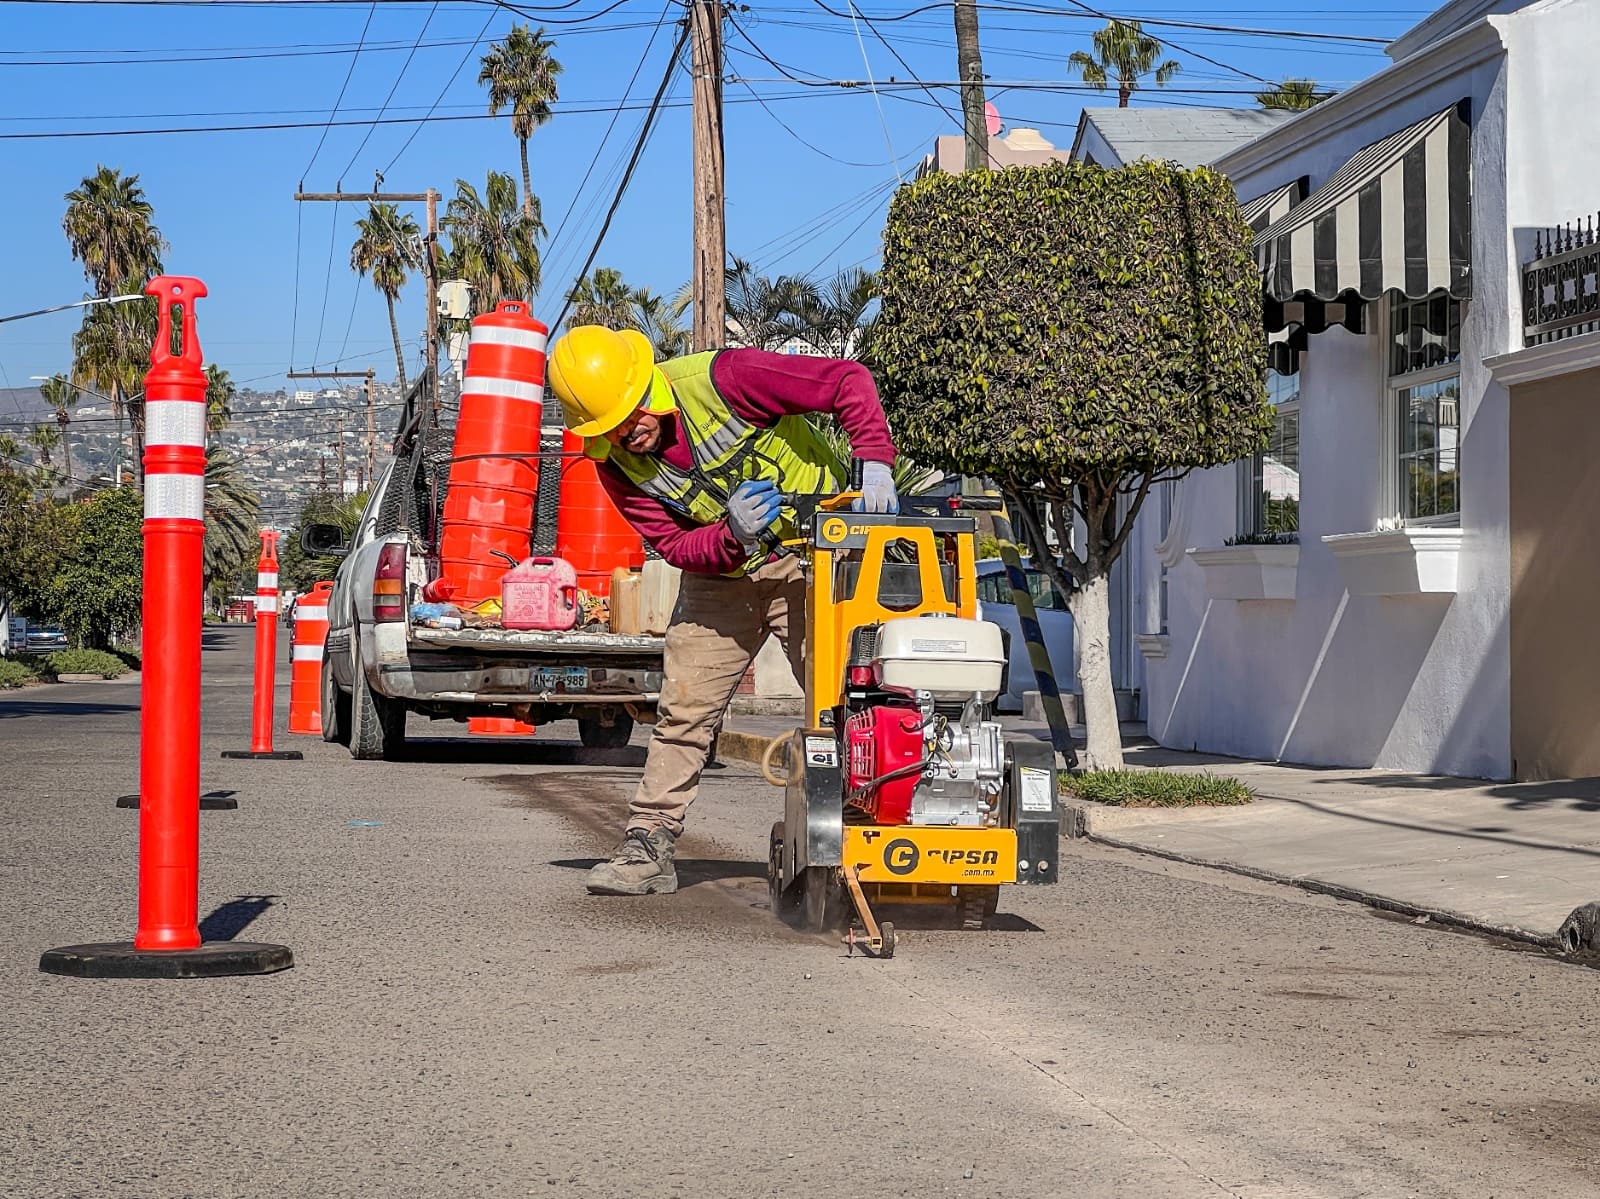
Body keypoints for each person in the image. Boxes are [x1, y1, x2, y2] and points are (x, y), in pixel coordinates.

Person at [547, 325, 899, 896]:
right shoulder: (613, 462)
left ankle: (871, 834)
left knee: (847, 700)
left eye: (627, 418)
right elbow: (674, 545)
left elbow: (847, 381)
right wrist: (730, 534)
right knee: (683, 711)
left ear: (649, 389)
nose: (622, 436)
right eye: (606, 429)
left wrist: (875, 461)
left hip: (816, 559)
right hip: (722, 578)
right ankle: (649, 846)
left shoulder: (726, 379)